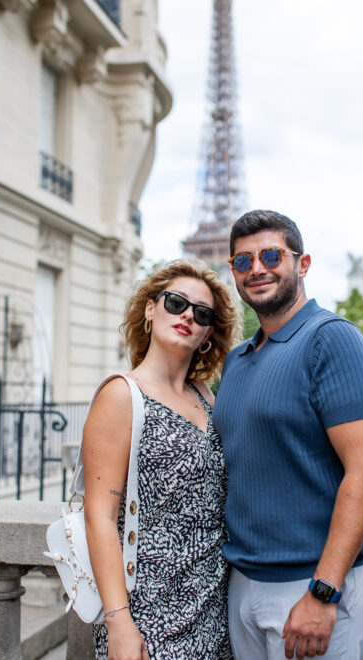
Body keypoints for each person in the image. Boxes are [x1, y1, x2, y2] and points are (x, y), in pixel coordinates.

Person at [213, 210, 363, 660]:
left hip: (311, 588)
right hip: (243, 583)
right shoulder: (237, 361)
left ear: (303, 263)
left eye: (271, 255)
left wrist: (323, 591)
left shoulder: (332, 340)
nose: (257, 269)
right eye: (242, 261)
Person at [83, 260, 240, 660]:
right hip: (148, 617)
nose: (188, 314)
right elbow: (99, 516)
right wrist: (118, 622)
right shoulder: (121, 395)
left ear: (207, 333)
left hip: (213, 610)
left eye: (202, 313)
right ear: (151, 309)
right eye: (176, 302)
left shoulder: (206, 396)